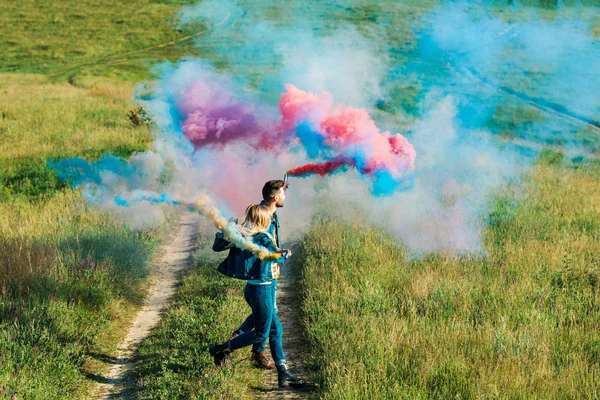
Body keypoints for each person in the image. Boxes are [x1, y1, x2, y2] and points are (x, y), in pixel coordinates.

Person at [209, 205, 305, 389]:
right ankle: (221, 348)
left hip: (254, 290)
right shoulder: (261, 236)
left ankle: (283, 372)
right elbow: (273, 256)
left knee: (277, 330)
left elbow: (217, 246)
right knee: (262, 333)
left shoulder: (241, 235)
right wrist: (285, 256)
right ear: (263, 220)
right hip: (263, 291)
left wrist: (226, 229)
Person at [214, 179, 288, 369]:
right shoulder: (260, 218)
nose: (285, 196)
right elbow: (266, 248)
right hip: (261, 280)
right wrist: (281, 256)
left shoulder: (272, 215)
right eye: (282, 193)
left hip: (269, 278)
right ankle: (232, 348)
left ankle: (241, 338)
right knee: (271, 326)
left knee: (265, 318)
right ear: (275, 196)